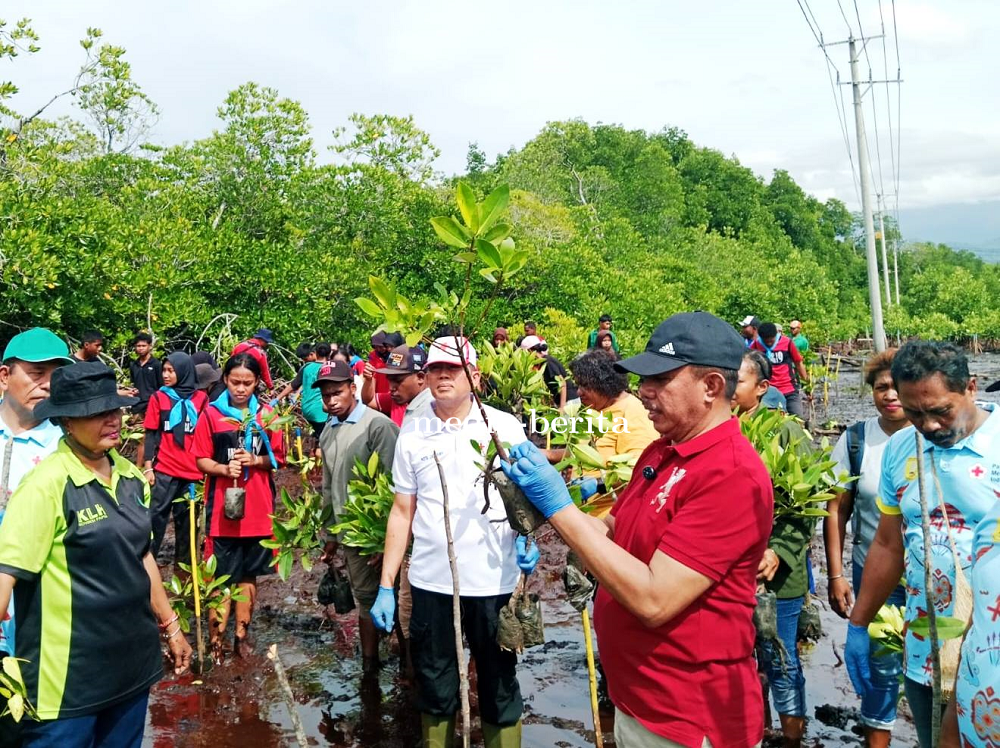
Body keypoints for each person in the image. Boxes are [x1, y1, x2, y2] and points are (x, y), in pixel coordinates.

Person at [502, 311, 773, 747]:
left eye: (661, 379)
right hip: (639, 702)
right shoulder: (662, 449)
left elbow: (653, 599)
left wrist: (557, 504)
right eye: (643, 379)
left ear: (711, 388)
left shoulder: (731, 474)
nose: (643, 392)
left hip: (690, 719)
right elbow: (611, 527)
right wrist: (542, 519)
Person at [0, 362, 190, 746]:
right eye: (96, 412)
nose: (112, 420)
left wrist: (171, 627)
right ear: (67, 421)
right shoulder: (46, 487)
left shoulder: (132, 478)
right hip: (67, 683)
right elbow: (6, 574)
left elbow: (142, 556)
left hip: (132, 668)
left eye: (115, 409)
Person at [370, 337, 538, 747]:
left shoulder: (504, 427)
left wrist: (530, 535)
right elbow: (401, 512)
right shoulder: (413, 433)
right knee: (434, 684)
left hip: (494, 580)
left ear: (474, 377)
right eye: (435, 370)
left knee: (499, 683)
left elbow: (529, 494)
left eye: (455, 369)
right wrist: (387, 585)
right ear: (424, 377)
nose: (444, 376)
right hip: (431, 583)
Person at [846, 341, 998, 748]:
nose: (928, 425)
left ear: (971, 387)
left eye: (940, 411)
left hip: (991, 655)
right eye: (914, 413)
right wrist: (859, 623)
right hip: (925, 647)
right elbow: (888, 545)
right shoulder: (901, 448)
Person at [823, 349, 908, 748]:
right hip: (873, 572)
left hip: (932, 575)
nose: (889, 395)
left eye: (897, 386)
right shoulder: (857, 439)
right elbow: (836, 509)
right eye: (881, 387)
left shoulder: (936, 434)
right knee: (880, 669)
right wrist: (836, 575)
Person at [733, 349, 816, 748]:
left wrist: (778, 550)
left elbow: (806, 506)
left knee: (781, 660)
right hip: (730, 574)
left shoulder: (788, 432)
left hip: (777, 577)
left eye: (739, 382)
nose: (729, 389)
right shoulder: (719, 430)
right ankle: (758, 732)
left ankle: (791, 738)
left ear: (763, 388)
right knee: (742, 663)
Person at [192, 353, 284, 660]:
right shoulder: (212, 415)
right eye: (235, 382)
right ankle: (216, 642)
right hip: (222, 514)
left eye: (247, 383)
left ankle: (241, 636)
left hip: (258, 512)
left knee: (248, 576)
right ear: (225, 380)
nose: (241, 389)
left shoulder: (267, 415)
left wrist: (255, 461)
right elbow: (201, 459)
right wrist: (222, 468)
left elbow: (278, 459)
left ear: (257, 382)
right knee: (220, 580)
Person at [314, 361, 401, 672]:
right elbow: (328, 486)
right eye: (326, 396)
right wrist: (331, 536)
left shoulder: (378, 427)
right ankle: (369, 667)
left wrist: (384, 541)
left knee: (399, 601)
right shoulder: (329, 430)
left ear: (353, 388)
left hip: (380, 534)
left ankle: (406, 667)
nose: (331, 401)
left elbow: (395, 486)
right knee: (365, 599)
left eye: (337, 392)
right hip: (350, 532)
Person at [0, 329, 74, 673]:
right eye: (36, 374)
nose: (46, 385)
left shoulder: (68, 451)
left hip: (38, 619)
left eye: (55, 376)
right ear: (4, 376)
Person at [143, 352, 209, 566]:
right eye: (164, 370)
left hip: (193, 471)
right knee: (156, 515)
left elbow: (207, 433)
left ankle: (185, 567)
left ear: (183, 371)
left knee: (188, 522)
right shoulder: (158, 398)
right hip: (165, 469)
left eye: (171, 370)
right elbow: (151, 433)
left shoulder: (201, 399)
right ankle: (147, 561)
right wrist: (148, 467)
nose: (166, 375)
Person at [567, 348, 658, 466]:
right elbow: (582, 451)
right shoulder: (595, 409)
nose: (579, 392)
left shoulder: (632, 412)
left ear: (603, 383)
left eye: (584, 385)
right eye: (578, 385)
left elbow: (637, 469)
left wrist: (597, 481)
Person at [360, 344, 432, 428]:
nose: (391, 388)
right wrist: (369, 380)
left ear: (420, 377)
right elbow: (369, 400)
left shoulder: (435, 409)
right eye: (389, 380)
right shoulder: (399, 399)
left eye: (398, 381)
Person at [751, 322, 809, 419]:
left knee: (798, 418)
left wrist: (807, 384)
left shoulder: (787, 343)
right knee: (769, 421)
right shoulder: (756, 345)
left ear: (776, 335)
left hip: (788, 388)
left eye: (771, 341)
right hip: (768, 391)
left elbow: (798, 363)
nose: (769, 343)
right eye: (766, 341)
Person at [276, 342, 330, 439]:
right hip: (320, 412)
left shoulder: (306, 368)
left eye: (305, 359)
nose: (304, 361)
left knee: (319, 435)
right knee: (326, 438)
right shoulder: (328, 368)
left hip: (307, 410)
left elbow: (294, 384)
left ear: (314, 353)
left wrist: (277, 398)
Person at [520, 335, 577, 410]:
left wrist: (562, 407)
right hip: (564, 401)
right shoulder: (540, 363)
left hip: (569, 401)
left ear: (530, 351)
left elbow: (562, 383)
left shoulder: (548, 362)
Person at [127, 332, 163, 417]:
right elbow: (133, 384)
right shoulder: (133, 365)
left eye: (143, 346)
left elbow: (161, 386)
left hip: (152, 404)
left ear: (150, 346)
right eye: (138, 346)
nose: (140, 348)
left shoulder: (156, 364)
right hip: (137, 404)